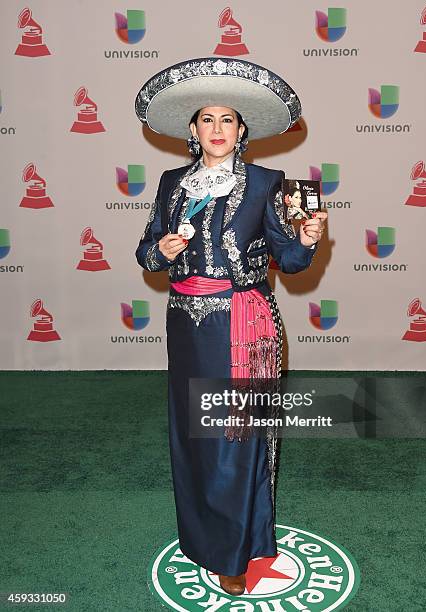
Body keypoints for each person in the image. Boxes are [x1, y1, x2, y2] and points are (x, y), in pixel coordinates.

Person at [134, 57, 327, 596]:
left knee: (234, 440)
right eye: (207, 120)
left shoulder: (267, 183)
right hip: (187, 325)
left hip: (243, 327)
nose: (217, 130)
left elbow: (287, 261)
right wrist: (161, 249)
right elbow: (145, 251)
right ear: (193, 130)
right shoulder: (172, 183)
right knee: (194, 435)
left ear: (242, 131)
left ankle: (235, 549)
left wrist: (307, 240)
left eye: (227, 120)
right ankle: (201, 536)